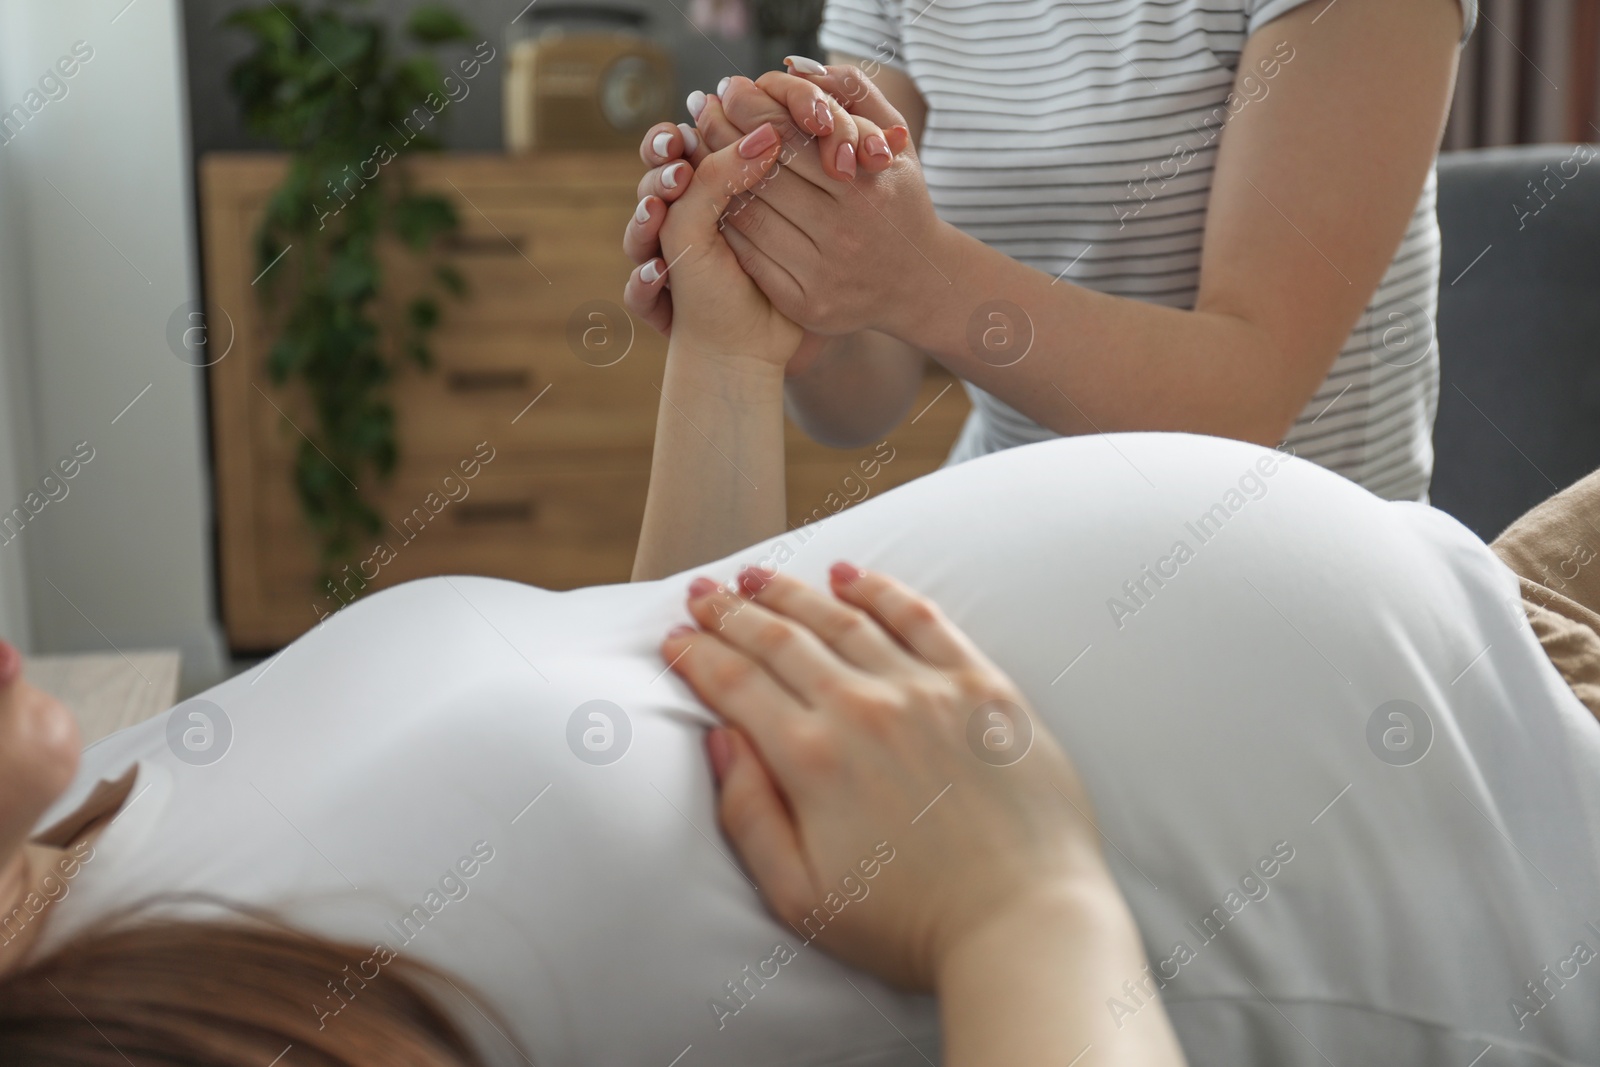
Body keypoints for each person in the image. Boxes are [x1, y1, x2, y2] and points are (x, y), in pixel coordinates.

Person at [2, 129, 1598, 1067]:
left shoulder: (82, 830)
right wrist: (1023, 905)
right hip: (1536, 834)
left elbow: (674, 690)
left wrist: (727, 351)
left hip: (1479, 611)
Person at [625, 0, 1477, 503]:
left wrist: (915, 278)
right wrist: (795, 296)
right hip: (1018, 520)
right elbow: (861, 402)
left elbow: (1248, 401)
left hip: (1292, 555)